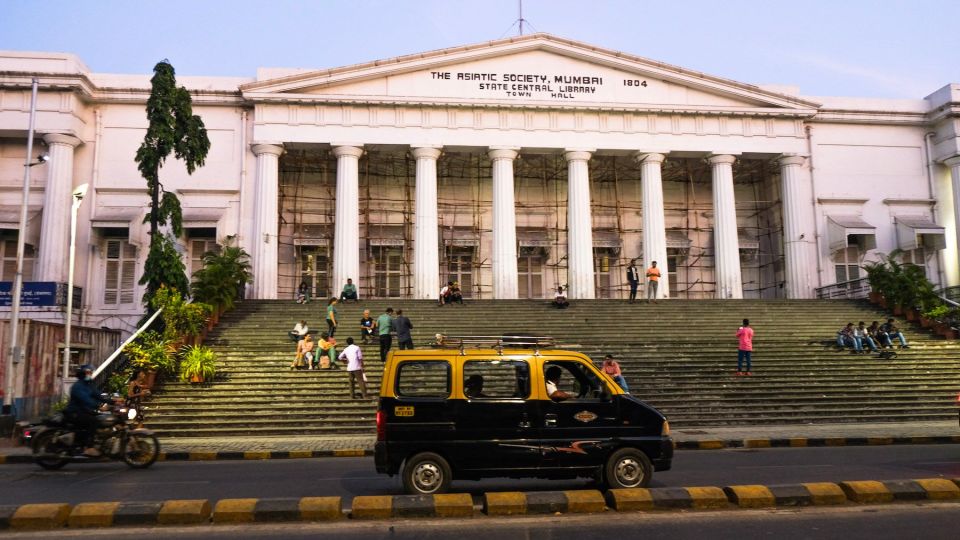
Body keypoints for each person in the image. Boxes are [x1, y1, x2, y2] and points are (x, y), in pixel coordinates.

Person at [65, 364, 113, 457]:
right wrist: (98, 406)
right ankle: (88, 447)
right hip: (75, 412)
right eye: (88, 372)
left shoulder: (88, 385)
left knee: (99, 418)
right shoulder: (78, 386)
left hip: (84, 411)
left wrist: (113, 401)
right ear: (82, 374)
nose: (90, 374)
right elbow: (85, 399)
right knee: (93, 421)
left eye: (91, 372)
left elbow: (98, 395)